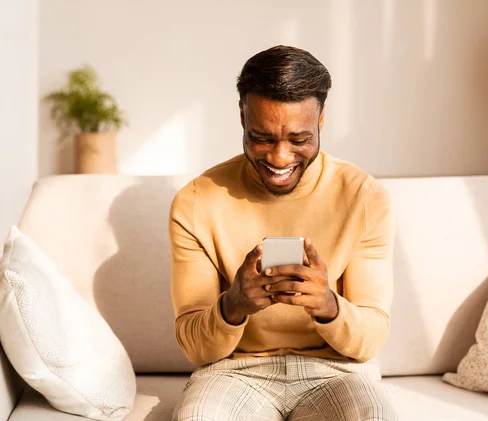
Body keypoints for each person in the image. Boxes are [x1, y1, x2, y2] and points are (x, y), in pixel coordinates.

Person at [169, 45, 397, 421]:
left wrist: (327, 304)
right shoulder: (195, 202)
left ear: (321, 120)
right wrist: (234, 304)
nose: (279, 157)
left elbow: (371, 338)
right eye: (262, 137)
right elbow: (195, 347)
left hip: (337, 372)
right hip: (234, 373)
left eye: (298, 139)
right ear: (242, 115)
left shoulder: (364, 197)